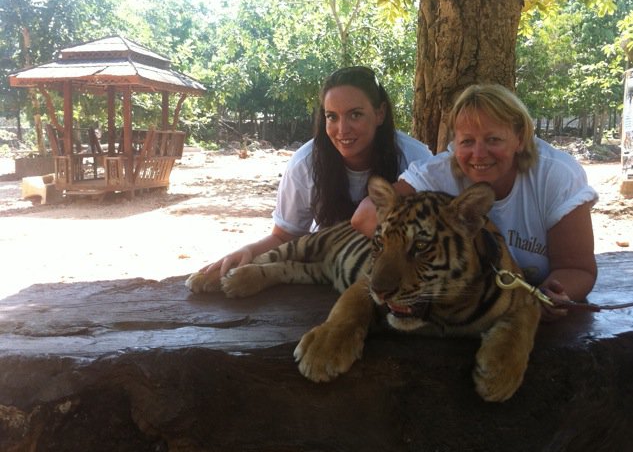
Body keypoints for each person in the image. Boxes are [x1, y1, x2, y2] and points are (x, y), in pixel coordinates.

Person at [352, 83, 598, 316]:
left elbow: (577, 269)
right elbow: (364, 216)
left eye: (493, 140)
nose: (479, 154)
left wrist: (542, 299)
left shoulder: (556, 174)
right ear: (454, 142)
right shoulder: (437, 174)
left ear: (520, 138)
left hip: (528, 306)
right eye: (467, 141)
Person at [196, 66, 432, 279]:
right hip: (323, 270)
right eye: (332, 117)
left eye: (355, 114)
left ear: (380, 113)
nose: (342, 129)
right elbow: (285, 236)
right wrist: (246, 251)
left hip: (398, 274)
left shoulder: (416, 160)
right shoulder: (304, 163)